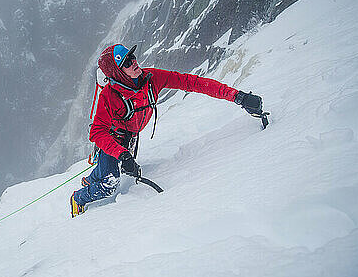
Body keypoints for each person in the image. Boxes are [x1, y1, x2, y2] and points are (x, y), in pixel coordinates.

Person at [70, 44, 263, 217]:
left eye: (132, 57)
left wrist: (238, 97)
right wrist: (123, 155)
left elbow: (191, 82)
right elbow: (97, 132)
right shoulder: (108, 96)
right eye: (127, 62)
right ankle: (78, 198)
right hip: (112, 141)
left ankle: (90, 179)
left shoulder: (151, 78)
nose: (134, 62)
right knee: (110, 185)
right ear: (118, 72)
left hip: (129, 138)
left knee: (109, 170)